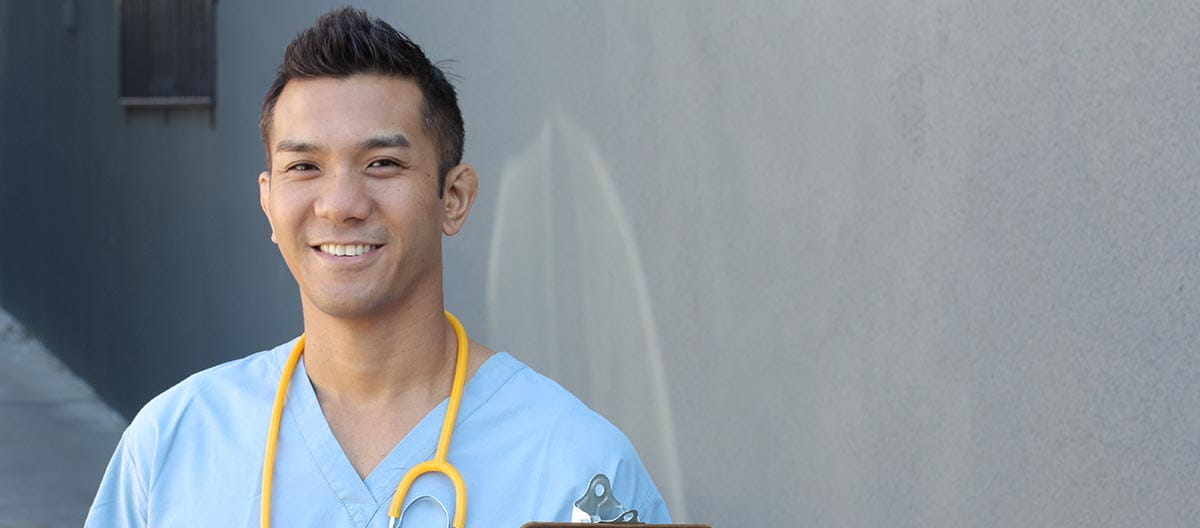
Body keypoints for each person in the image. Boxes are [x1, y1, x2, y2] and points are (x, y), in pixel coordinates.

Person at [84, 7, 669, 527]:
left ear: (453, 198)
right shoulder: (171, 446)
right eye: (304, 167)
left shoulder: (578, 469)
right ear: (268, 202)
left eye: (383, 162)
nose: (340, 204)